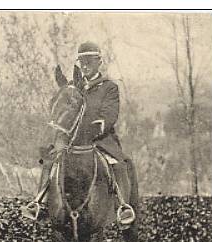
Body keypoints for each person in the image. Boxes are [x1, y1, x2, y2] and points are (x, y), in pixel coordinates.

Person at [21, 42, 135, 226]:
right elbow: (61, 109)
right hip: (71, 139)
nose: (85, 65)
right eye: (81, 61)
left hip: (100, 139)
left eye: (89, 61)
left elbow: (110, 115)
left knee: (119, 164)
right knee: (50, 160)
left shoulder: (109, 87)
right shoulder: (73, 87)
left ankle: (123, 207)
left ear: (99, 62)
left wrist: (93, 129)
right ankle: (39, 203)